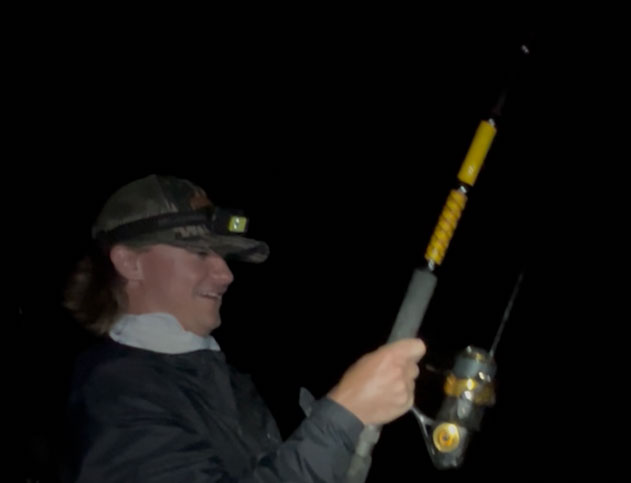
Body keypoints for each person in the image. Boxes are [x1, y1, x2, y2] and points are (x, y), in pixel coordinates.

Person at [61, 174, 425, 483]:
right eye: (201, 253)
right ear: (129, 263)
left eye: (223, 256)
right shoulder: (115, 393)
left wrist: (351, 435)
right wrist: (343, 416)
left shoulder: (224, 379)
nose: (226, 274)